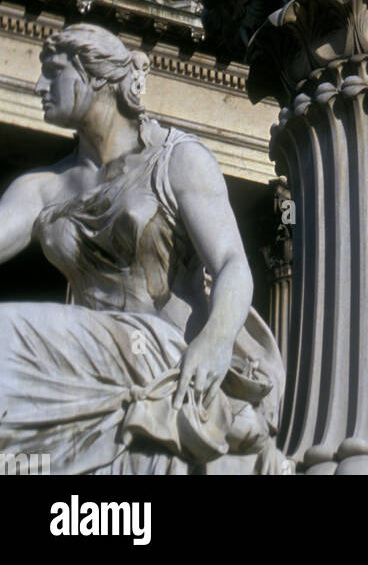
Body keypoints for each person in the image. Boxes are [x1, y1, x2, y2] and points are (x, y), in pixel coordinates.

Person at [0, 24, 285, 474]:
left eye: (53, 73)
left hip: (164, 352)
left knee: (4, 335)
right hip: (85, 358)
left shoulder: (177, 160)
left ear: (95, 76)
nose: (37, 86)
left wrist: (214, 342)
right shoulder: (40, 190)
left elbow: (232, 264)